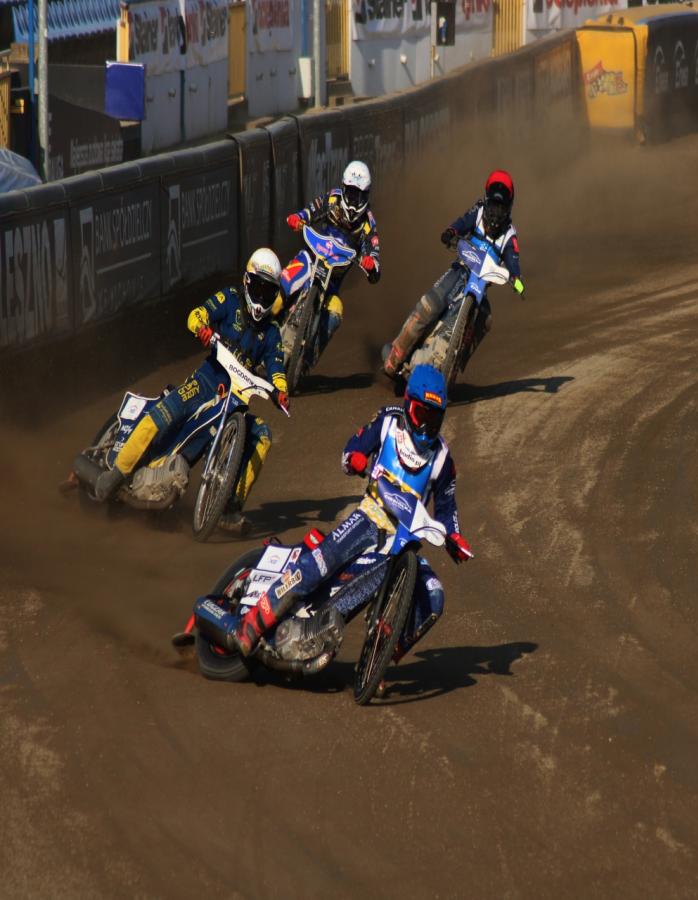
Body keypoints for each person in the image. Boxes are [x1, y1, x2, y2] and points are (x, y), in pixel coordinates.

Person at [225, 364, 473, 659]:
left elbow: (446, 506)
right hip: (369, 516)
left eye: (434, 420)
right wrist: (354, 459)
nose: (426, 428)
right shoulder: (388, 422)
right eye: (422, 416)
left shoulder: (443, 458)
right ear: (408, 405)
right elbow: (351, 449)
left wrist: (455, 536)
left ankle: (379, 659)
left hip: (404, 539)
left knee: (433, 597)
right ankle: (252, 623)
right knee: (321, 563)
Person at [94, 248, 290, 534]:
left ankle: (229, 507)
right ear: (247, 281)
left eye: (268, 291)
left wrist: (281, 390)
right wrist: (202, 328)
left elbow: (276, 367)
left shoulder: (271, 332)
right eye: (258, 288)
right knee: (161, 416)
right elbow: (197, 314)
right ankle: (117, 473)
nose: (261, 297)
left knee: (263, 435)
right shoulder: (229, 299)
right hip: (204, 383)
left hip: (235, 403)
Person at [382, 169, 526, 378]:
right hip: (460, 270)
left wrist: (516, 278)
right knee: (429, 305)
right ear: (486, 201)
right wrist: (451, 232)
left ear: (508, 208)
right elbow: (462, 223)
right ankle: (394, 356)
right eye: (493, 206)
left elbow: (513, 258)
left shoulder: (509, 235)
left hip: (480, 288)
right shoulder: (477, 212)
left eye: (500, 208)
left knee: (485, 320)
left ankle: (454, 363)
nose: (495, 213)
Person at [282, 160, 381, 370]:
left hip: (332, 280)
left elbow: (374, 256)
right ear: (344, 188)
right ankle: (260, 327)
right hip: (311, 258)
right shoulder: (332, 198)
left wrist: (371, 263)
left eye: (360, 195)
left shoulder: (368, 223)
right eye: (351, 193)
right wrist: (298, 218)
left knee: (336, 310)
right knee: (284, 283)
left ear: (367, 195)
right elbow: (310, 211)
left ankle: (305, 363)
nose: (355, 200)